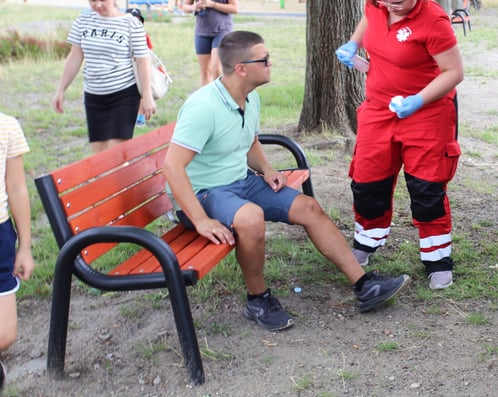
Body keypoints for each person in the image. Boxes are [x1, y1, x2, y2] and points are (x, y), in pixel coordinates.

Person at [163, 30, 410, 330]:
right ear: (241, 69)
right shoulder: (203, 107)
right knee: (251, 217)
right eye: (264, 59)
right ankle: (257, 300)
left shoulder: (249, 97)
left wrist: (267, 169)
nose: (271, 63)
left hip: (240, 182)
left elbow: (249, 142)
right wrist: (201, 220)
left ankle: (364, 284)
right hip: (203, 194)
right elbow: (172, 168)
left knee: (308, 208)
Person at [335, 0, 464, 290]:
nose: (391, 8)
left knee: (426, 188)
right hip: (378, 109)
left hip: (427, 115)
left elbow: (454, 72)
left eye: (399, 3)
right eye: (386, 2)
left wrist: (417, 100)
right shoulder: (377, 1)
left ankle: (437, 260)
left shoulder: (434, 20)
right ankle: (366, 242)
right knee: (367, 180)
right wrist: (353, 44)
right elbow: (370, 17)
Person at [52, 0, 157, 153]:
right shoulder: (83, 21)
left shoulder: (131, 24)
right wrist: (61, 89)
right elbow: (75, 55)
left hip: (124, 94)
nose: (98, 5)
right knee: (99, 155)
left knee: (116, 155)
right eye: (92, 0)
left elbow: (142, 62)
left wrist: (146, 95)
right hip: (94, 95)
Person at [0, 113, 34, 391]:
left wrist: (25, 246)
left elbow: (17, 188)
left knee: (5, 335)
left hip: (1, 234)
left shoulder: (7, 126)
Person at [183, 0, 240, 86]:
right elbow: (185, 6)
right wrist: (195, 7)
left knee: (217, 70)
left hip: (221, 30)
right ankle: (206, 99)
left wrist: (212, 4)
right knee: (205, 72)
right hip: (202, 31)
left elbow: (235, 8)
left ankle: (222, 98)